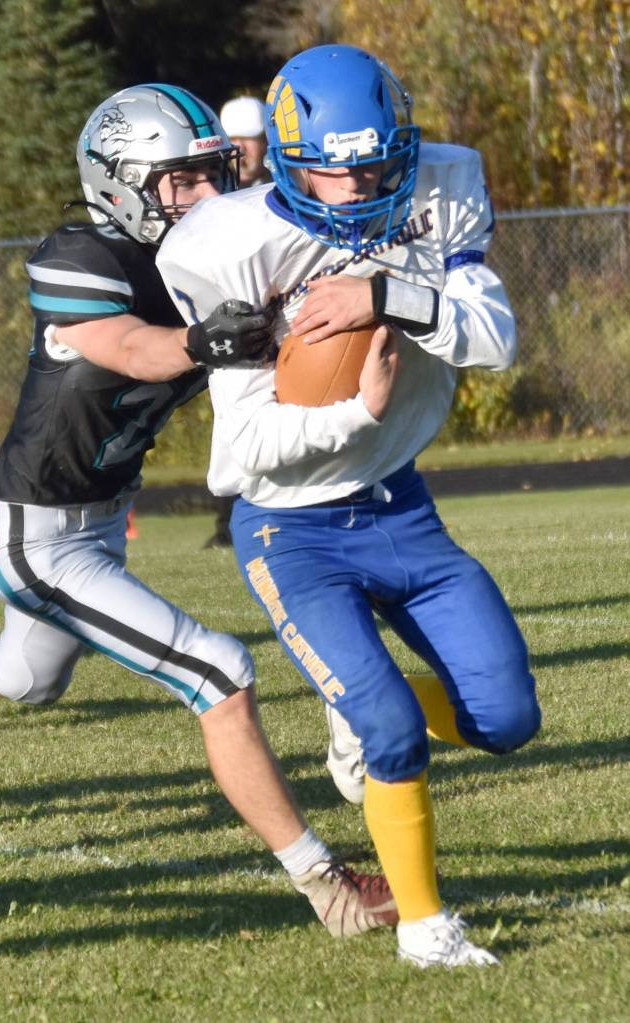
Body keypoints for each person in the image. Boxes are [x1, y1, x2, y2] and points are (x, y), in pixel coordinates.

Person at [0, 83, 398, 939]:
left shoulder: (212, 252)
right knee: (219, 673)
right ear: (119, 183)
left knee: (24, 674)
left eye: (212, 174)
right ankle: (327, 888)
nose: (205, 198)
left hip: (100, 515)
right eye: (179, 181)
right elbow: (130, 348)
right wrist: (201, 342)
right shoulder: (81, 253)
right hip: (33, 531)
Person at [157, 44, 541, 968]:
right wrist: (352, 411)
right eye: (336, 167)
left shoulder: (442, 185)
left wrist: (384, 292)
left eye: (376, 161)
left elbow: (493, 337)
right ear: (289, 161)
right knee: (393, 731)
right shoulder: (223, 245)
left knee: (507, 719)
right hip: (291, 527)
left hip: (402, 506)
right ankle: (423, 925)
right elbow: (236, 457)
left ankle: (361, 704)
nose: (361, 183)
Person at [202, 95, 273, 549]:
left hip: (274, 317)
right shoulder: (210, 193)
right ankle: (227, 524)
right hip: (225, 319)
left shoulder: (284, 189)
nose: (244, 150)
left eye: (252, 140)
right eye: (236, 141)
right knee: (230, 419)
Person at [219, 96, 271, 188]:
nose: (240, 148)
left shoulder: (287, 183)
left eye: (248, 138)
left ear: (266, 140)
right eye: (232, 139)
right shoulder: (215, 188)